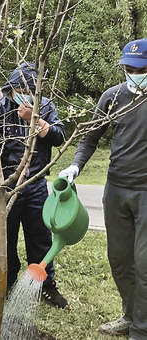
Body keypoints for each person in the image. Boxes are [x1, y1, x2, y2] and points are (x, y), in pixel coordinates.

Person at [60, 38, 147, 338]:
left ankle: (141, 329)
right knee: (120, 260)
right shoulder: (112, 97)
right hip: (116, 190)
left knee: (145, 264)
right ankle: (129, 315)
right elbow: (89, 138)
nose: (134, 73)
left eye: (140, 68)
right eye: (128, 68)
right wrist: (75, 165)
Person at [0, 62, 68, 309]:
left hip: (35, 182)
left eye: (25, 88)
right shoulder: (0, 107)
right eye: (16, 88)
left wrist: (35, 121)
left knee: (40, 237)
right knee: (3, 239)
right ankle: (6, 280)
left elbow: (59, 135)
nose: (20, 93)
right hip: (5, 185)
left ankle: (45, 285)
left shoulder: (46, 105)